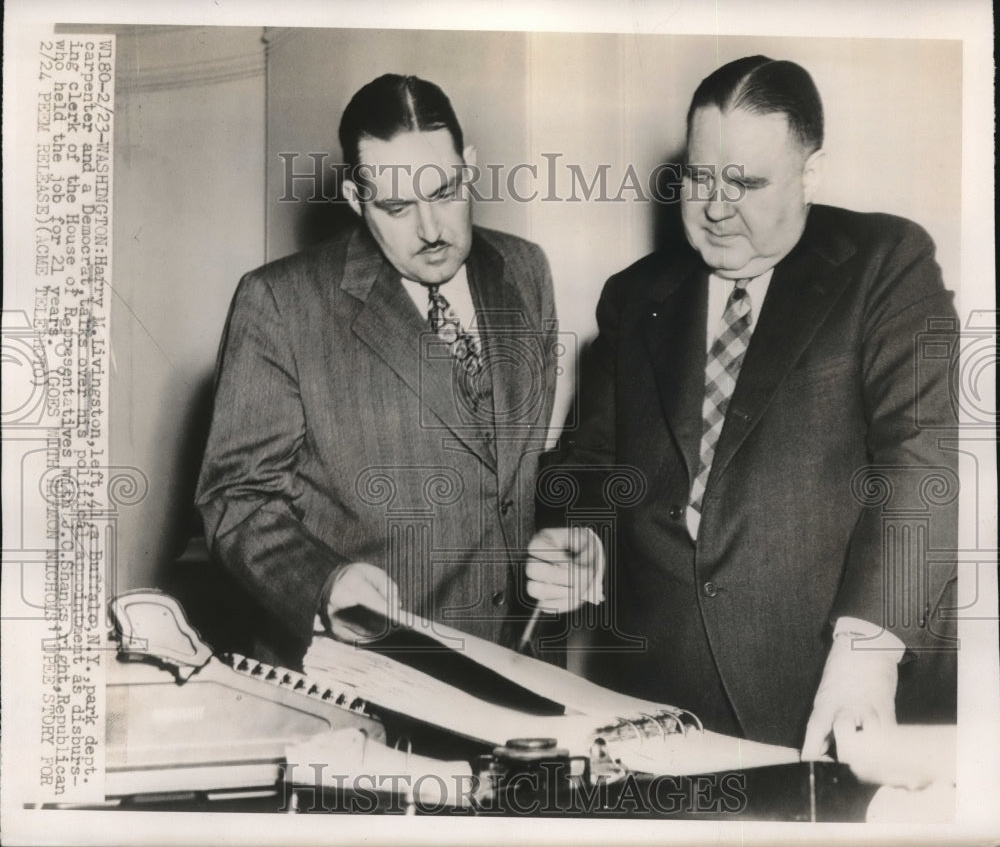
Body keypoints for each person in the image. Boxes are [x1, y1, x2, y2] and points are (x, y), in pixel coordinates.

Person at [528, 56, 959, 757]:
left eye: (747, 182)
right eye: (699, 178)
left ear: (810, 175)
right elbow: (592, 466)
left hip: (835, 694)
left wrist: (866, 651)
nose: (717, 207)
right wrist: (586, 539)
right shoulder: (634, 295)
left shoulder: (885, 262)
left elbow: (923, 458)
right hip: (665, 706)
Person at [196, 74, 561, 667]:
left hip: (520, 668)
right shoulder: (281, 304)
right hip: (367, 673)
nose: (432, 229)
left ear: (469, 166)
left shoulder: (524, 269)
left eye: (445, 192)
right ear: (354, 198)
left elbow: (515, 471)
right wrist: (325, 585)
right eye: (396, 206)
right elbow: (237, 498)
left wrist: (568, 542)